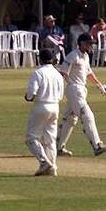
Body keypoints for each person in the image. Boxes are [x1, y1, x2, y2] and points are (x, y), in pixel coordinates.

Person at [56, 34, 106, 159]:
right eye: (88, 43)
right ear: (80, 43)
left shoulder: (85, 56)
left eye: (91, 43)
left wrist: (100, 86)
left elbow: (89, 73)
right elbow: (63, 72)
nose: (90, 46)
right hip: (74, 89)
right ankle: (97, 145)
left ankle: (58, 148)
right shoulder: (73, 55)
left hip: (81, 89)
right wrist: (61, 89)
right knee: (87, 115)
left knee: (70, 119)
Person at [25, 48, 65, 177]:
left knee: (31, 138)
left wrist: (28, 97)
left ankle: (44, 162)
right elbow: (60, 95)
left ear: (40, 59)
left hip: (41, 106)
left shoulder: (38, 73)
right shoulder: (58, 74)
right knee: (50, 139)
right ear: (52, 59)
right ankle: (52, 167)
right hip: (55, 107)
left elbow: (31, 93)